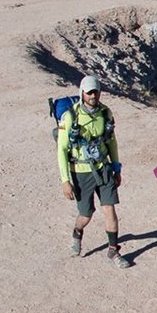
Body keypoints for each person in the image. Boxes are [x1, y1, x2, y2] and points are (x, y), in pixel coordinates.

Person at [58, 75, 129, 267]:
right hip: (81, 172)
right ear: (82, 93)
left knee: (110, 210)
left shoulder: (106, 113)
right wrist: (65, 180)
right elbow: (62, 150)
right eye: (89, 92)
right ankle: (77, 232)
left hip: (103, 169)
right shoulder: (70, 117)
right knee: (86, 215)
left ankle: (113, 252)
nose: (92, 95)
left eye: (95, 91)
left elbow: (111, 142)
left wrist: (116, 167)